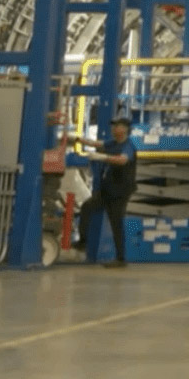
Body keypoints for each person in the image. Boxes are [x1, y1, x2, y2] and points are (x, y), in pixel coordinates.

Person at [72, 114, 139, 268]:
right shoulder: (114, 143)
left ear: (125, 129)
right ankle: (83, 242)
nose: (113, 128)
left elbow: (122, 159)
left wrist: (102, 157)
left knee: (116, 222)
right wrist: (77, 139)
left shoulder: (127, 146)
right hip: (108, 188)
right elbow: (97, 143)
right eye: (113, 125)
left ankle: (121, 259)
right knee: (87, 207)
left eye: (117, 126)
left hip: (120, 191)